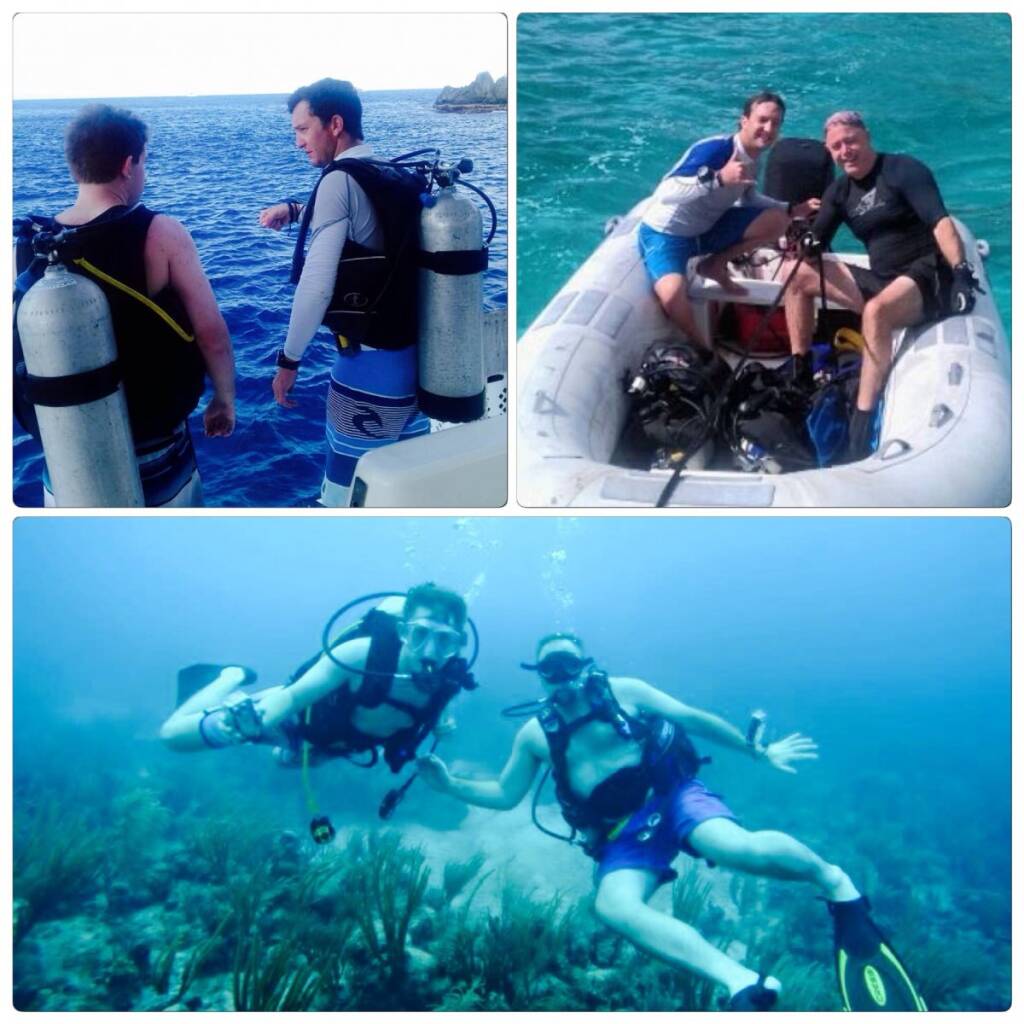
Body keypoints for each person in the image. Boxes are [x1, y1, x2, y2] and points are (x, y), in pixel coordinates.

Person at [418, 632, 922, 1011]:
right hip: (621, 832)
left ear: (586, 665)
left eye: (569, 661)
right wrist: (449, 785)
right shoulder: (534, 734)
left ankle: (834, 882)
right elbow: (506, 794)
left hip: (673, 795)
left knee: (731, 846)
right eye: (550, 666)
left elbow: (693, 718)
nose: (561, 673)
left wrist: (755, 750)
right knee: (613, 906)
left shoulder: (626, 692)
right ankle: (741, 982)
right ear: (539, 676)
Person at [14, 104, 236, 507]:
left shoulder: (31, 244)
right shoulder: (161, 233)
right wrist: (223, 399)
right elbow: (211, 335)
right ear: (128, 164)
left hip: (67, 464)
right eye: (144, 162)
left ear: (75, 166)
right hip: (154, 457)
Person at [258, 78, 430, 507]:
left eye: (303, 129)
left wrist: (288, 362)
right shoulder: (391, 173)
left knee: (344, 498)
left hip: (367, 376)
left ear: (334, 124)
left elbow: (316, 287)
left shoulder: (337, 181)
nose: (297, 142)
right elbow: (369, 228)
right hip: (421, 370)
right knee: (409, 492)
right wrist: (295, 210)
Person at [782, 111, 981, 459]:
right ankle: (800, 372)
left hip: (927, 274)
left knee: (876, 312)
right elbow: (816, 242)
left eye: (850, 141)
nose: (845, 151)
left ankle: (862, 421)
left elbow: (940, 222)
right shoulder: (840, 191)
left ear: (867, 137)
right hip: (885, 279)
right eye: (836, 147)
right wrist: (805, 241)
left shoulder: (903, 170)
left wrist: (962, 272)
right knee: (796, 275)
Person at [159, 584, 476, 798]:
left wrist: (443, 723)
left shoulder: (448, 681)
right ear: (403, 631)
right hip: (296, 722)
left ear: (459, 644)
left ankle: (298, 751)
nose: (430, 652)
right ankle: (231, 675)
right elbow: (293, 697)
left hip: (336, 745)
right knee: (173, 736)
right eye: (420, 634)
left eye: (445, 640)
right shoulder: (360, 656)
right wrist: (256, 721)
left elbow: (436, 710)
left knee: (284, 762)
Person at [638, 92, 819, 349]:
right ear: (744, 120)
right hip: (667, 235)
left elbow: (749, 198)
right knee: (672, 296)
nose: (768, 129)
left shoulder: (754, 158)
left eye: (775, 123)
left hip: (707, 230)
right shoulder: (716, 149)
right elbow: (665, 193)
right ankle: (704, 351)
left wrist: (791, 208)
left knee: (779, 221)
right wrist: (719, 178)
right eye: (762, 120)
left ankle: (714, 265)